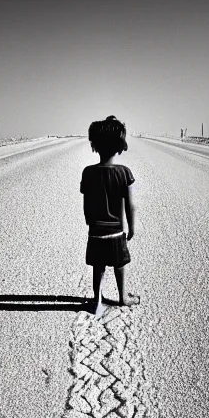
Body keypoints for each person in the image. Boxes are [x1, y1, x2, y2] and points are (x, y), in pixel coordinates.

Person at [80, 115, 139, 317]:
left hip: (96, 231)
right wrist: (132, 227)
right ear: (120, 146)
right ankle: (123, 297)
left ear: (95, 145)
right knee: (119, 264)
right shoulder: (124, 173)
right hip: (116, 232)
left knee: (99, 266)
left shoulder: (88, 173)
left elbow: (86, 203)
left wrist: (90, 221)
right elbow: (131, 205)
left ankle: (97, 301)